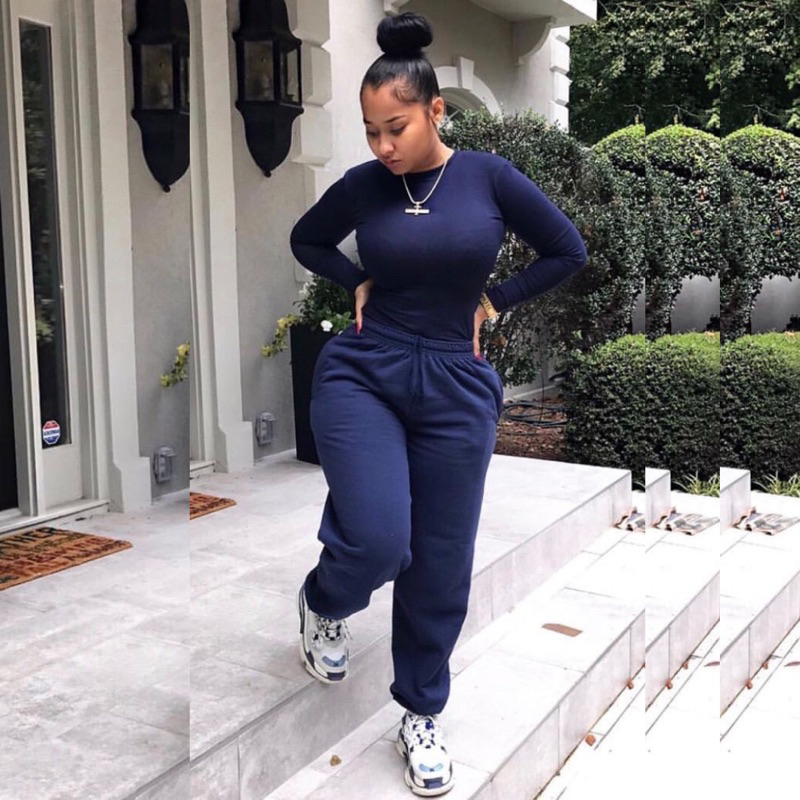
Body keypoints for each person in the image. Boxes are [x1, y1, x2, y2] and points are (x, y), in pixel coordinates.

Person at [289, 11, 588, 797]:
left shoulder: (488, 178)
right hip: (367, 370)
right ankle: (324, 599)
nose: (382, 147)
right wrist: (352, 278)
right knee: (378, 537)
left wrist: (497, 300)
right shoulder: (364, 187)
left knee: (441, 560)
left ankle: (420, 713)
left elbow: (567, 249)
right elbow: (307, 239)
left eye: (396, 128)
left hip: (456, 380)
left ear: (435, 111)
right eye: (370, 132)